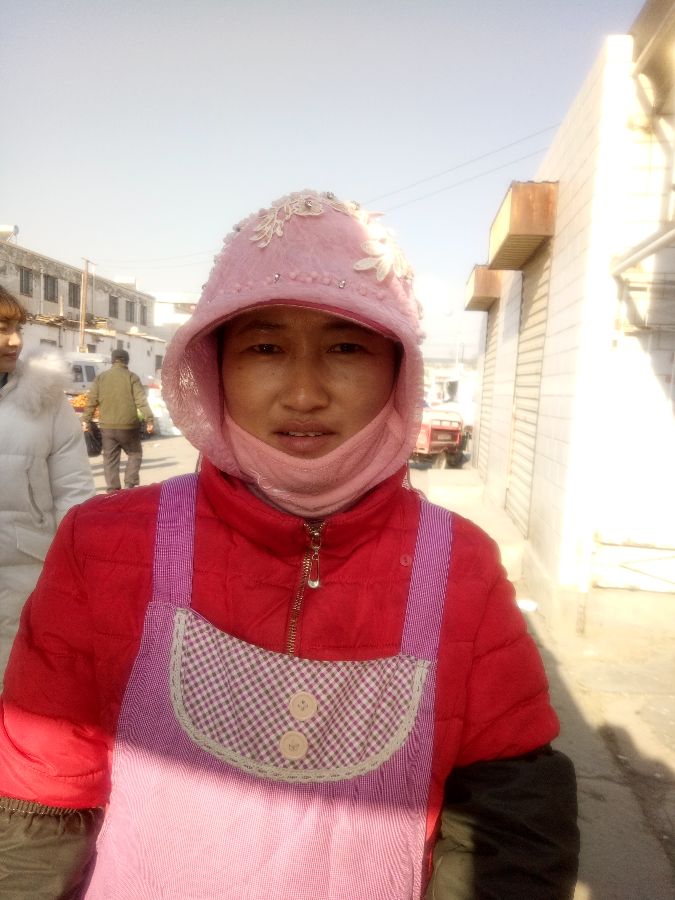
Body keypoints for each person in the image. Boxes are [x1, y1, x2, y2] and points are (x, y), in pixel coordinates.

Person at [0, 191, 579, 899]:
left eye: (346, 347)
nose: (304, 394)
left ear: (399, 369)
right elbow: (39, 797)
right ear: (214, 366)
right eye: (266, 348)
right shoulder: (104, 544)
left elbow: (508, 824)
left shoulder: (461, 564)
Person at [0, 286, 94, 686]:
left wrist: (75, 564)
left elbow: (73, 490)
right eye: (2, 328)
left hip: (27, 568)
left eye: (17, 328)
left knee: (17, 677)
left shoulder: (45, 398)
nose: (15, 341)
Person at [82, 348, 154, 492]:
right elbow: (141, 400)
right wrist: (149, 419)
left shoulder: (101, 378)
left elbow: (91, 400)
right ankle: (129, 485)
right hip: (129, 426)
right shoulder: (132, 377)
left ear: (112, 360)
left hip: (107, 427)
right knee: (134, 453)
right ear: (127, 361)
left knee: (110, 459)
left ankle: (113, 491)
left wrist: (86, 419)